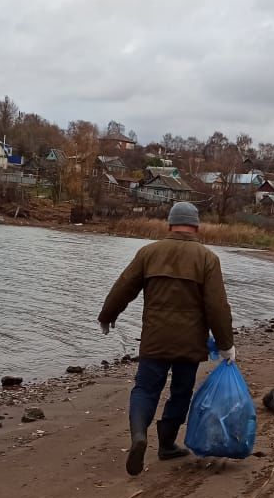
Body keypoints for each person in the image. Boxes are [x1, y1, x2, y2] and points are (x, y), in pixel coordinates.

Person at [99, 201, 235, 476]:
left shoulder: (148, 253)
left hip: (155, 339)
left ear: (169, 224)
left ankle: (139, 435)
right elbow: (217, 306)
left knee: (146, 389)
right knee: (180, 392)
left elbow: (123, 287)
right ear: (196, 226)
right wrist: (225, 344)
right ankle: (167, 444)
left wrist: (107, 315)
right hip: (190, 343)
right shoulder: (207, 258)